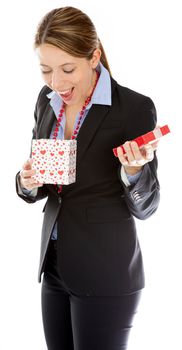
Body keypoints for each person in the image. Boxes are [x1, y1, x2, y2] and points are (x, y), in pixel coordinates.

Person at [16, 6, 160, 350]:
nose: (56, 83)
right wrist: (26, 182)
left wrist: (134, 171)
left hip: (106, 273)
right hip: (54, 266)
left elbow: (149, 207)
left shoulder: (133, 109)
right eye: (46, 70)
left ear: (94, 56)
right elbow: (41, 183)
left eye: (68, 69)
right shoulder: (46, 100)